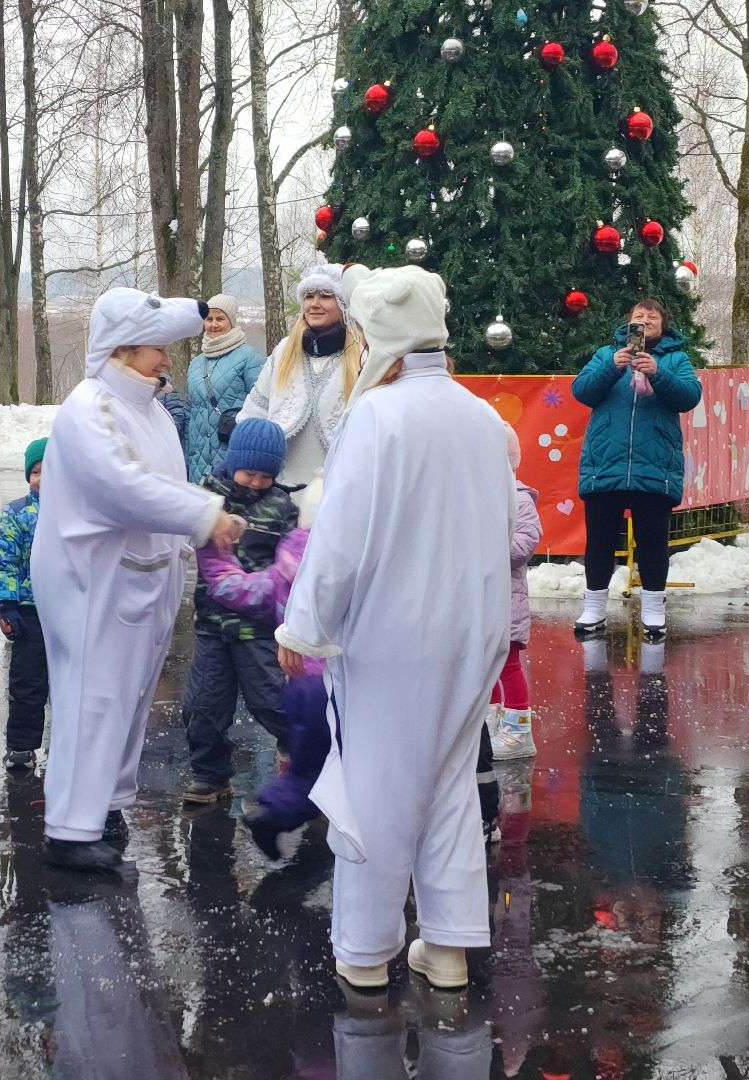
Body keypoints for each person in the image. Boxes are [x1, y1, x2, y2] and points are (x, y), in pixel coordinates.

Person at [276, 264, 515, 990]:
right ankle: (446, 947)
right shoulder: (480, 415)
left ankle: (364, 949)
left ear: (374, 335)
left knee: (375, 786)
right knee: (446, 781)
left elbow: (340, 537)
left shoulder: (374, 417)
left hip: (390, 637)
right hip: (470, 629)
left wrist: (304, 627)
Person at [34, 289, 246, 872]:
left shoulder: (146, 408)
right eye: (157, 349)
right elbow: (122, 486)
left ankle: (102, 805)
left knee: (126, 699)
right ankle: (70, 830)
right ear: (122, 348)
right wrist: (204, 516)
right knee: (93, 697)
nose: (166, 361)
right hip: (92, 582)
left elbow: (162, 481)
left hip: (137, 580)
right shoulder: (90, 408)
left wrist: (200, 514)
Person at [569, 298, 701, 642]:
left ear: (663, 325)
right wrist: (612, 366)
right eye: (638, 316)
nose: (644, 321)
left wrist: (659, 372)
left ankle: (654, 610)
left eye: (652, 316)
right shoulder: (606, 355)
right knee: (599, 540)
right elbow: (581, 391)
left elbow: (689, 396)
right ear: (628, 324)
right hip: (606, 465)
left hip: (655, 465)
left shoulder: (676, 359)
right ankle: (594, 607)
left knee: (653, 542)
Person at [180, 418, 297, 804]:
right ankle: (210, 775)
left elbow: (293, 558)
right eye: (249, 472)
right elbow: (186, 534)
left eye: (266, 475)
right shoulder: (209, 499)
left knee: (272, 701)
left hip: (260, 629)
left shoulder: (282, 506)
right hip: (213, 624)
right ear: (232, 464)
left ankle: (304, 758)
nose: (255, 482)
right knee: (203, 706)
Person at [239, 262, 364, 487]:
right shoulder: (284, 350)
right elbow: (255, 412)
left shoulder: (362, 355)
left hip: (340, 486)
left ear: (343, 303)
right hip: (280, 487)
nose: (314, 304)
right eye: (308, 296)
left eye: (325, 295)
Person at [0, 437, 47, 770]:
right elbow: (3, 560)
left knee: (70, 685)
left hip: (67, 611)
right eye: (36, 471)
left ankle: (69, 745)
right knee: (28, 682)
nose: (43, 477)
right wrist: (6, 605)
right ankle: (22, 745)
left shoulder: (76, 512)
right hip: (28, 610)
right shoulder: (17, 513)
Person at [488, 423, 543, 760]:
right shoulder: (480, 495)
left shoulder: (519, 499)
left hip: (507, 602)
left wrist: (485, 547)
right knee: (484, 665)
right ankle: (489, 720)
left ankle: (519, 730)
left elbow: (524, 543)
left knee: (507, 664)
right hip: (482, 601)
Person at [183, 295, 265, 480]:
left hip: (233, 457)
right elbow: (190, 412)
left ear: (232, 322)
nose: (213, 324)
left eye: (220, 318)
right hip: (199, 462)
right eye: (209, 319)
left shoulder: (249, 358)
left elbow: (261, 408)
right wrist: (187, 457)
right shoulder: (196, 364)